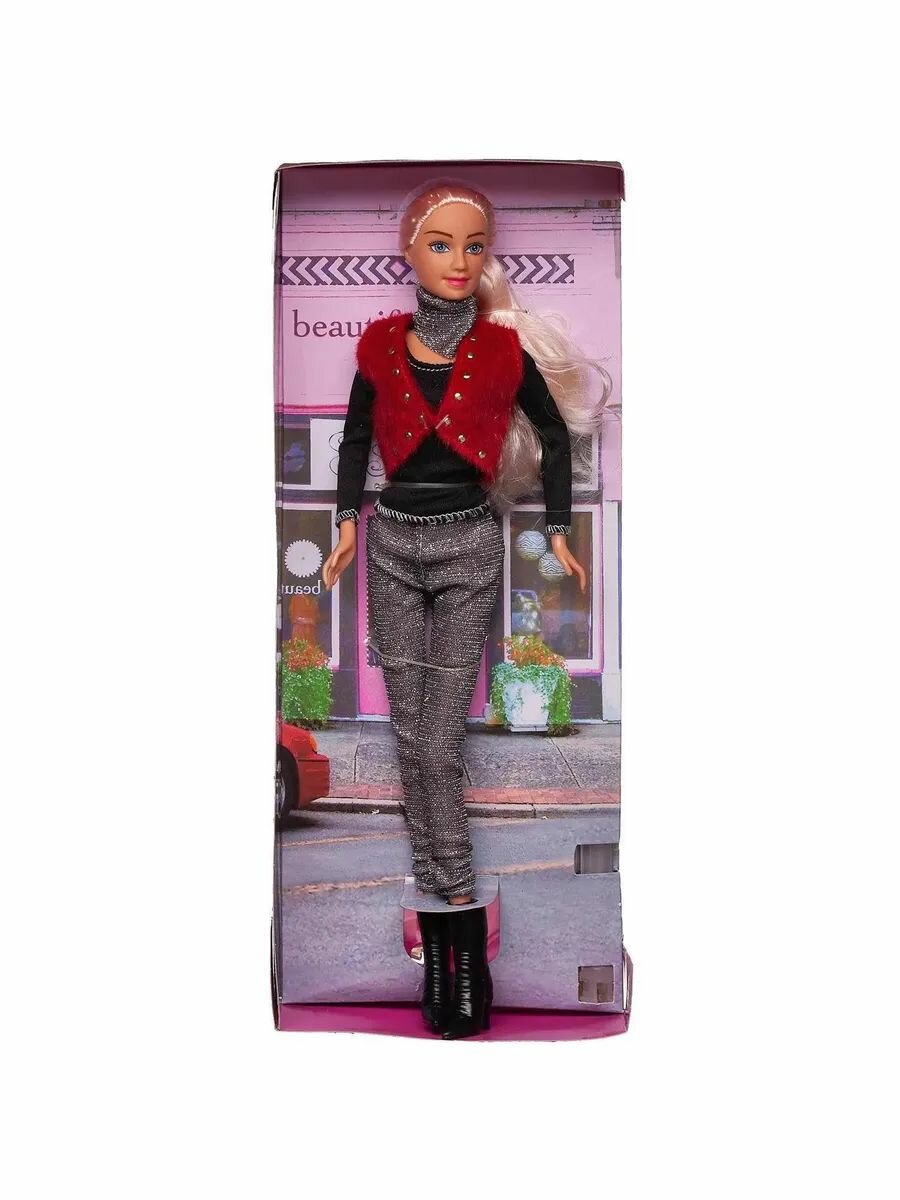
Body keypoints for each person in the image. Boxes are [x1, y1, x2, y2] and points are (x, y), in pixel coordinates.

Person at [322, 178, 612, 1038]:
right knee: (414, 733)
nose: (458, 260)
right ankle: (454, 928)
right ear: (408, 250)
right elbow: (353, 439)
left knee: (435, 735)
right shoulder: (379, 345)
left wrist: (557, 529)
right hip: (391, 544)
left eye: (474, 245)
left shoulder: (501, 349)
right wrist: (345, 525)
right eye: (441, 243)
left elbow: (553, 435)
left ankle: (447, 905)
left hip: (468, 544)